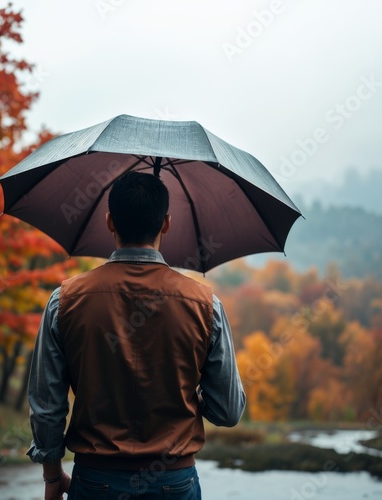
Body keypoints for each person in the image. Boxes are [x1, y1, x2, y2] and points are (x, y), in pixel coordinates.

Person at [27, 171, 246, 500]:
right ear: (166, 224)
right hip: (174, 484)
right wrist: (187, 395)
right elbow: (227, 410)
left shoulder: (65, 300)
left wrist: (52, 476)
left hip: (94, 482)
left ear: (109, 222)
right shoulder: (206, 306)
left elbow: (47, 406)